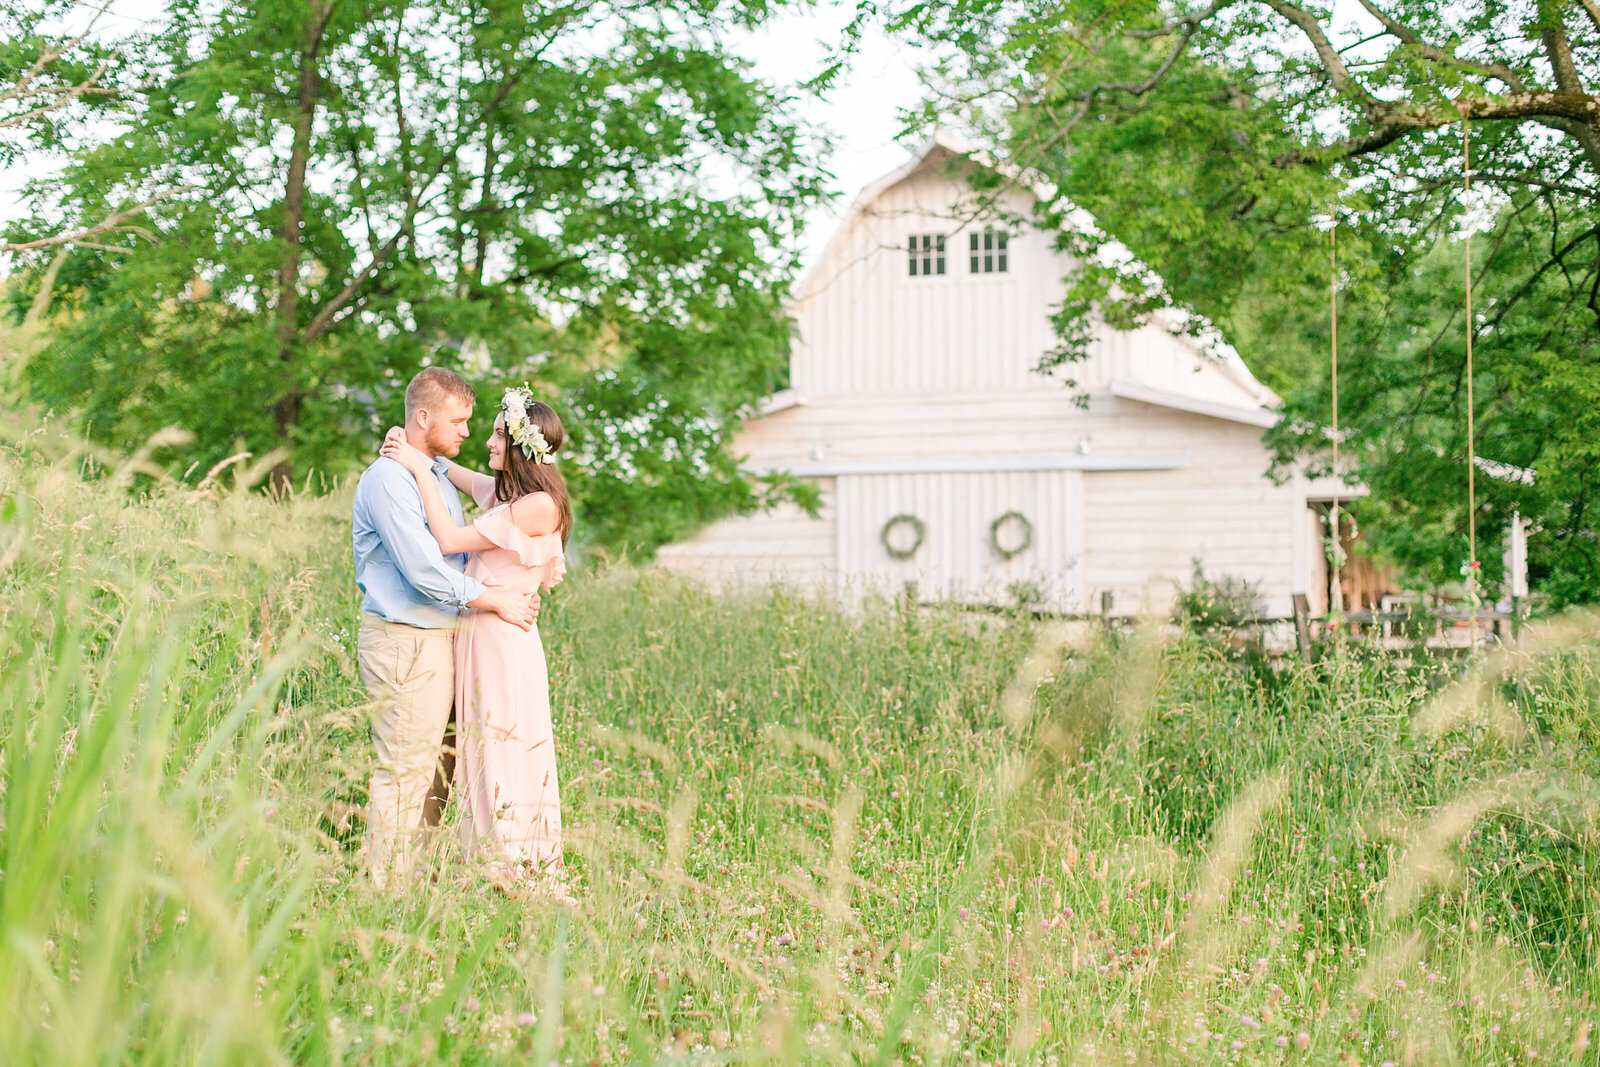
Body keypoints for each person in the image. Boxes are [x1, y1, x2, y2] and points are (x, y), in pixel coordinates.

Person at [352, 368, 540, 889]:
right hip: (406, 639)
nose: (467, 433)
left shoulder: (431, 474)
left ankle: (417, 886)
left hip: (443, 640)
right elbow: (424, 569)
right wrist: (494, 599)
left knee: (439, 774)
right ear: (423, 417)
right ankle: (384, 896)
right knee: (406, 772)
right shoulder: (390, 480)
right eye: (457, 421)